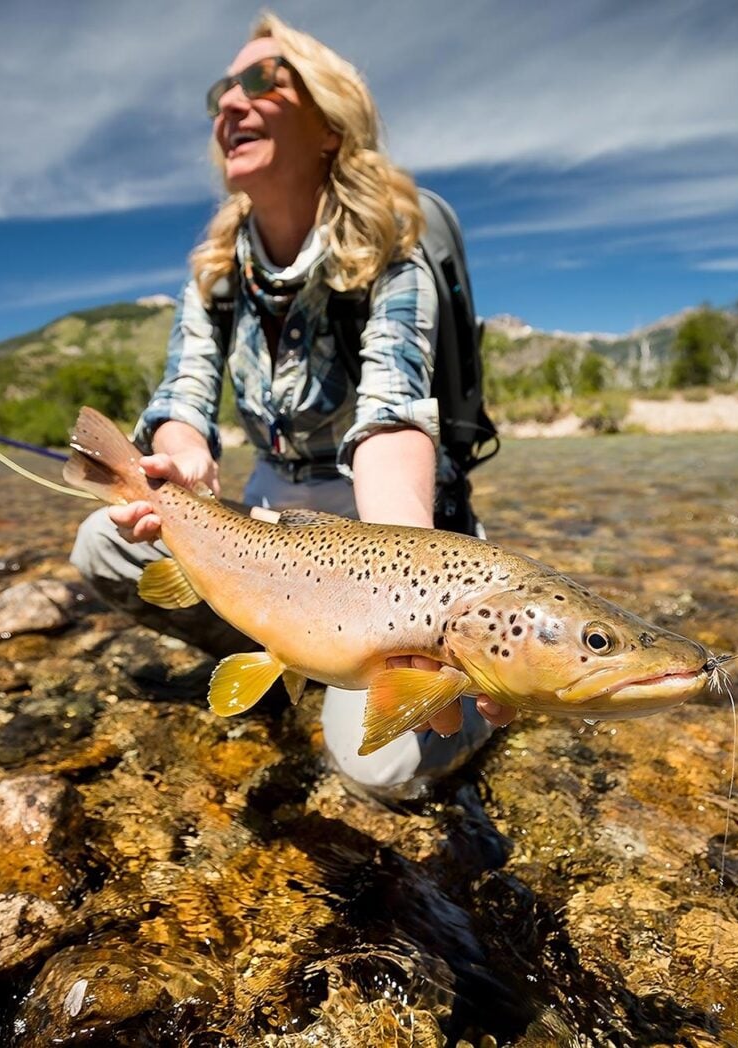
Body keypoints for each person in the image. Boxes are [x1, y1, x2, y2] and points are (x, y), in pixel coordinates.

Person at [71, 12, 515, 795]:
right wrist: (179, 462)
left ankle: (495, 680)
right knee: (99, 546)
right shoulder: (213, 270)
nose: (228, 107)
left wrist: (407, 593)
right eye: (219, 92)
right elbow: (183, 397)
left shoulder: (394, 247)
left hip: (387, 521)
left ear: (330, 125)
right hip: (272, 530)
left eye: (256, 82)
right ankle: (293, 660)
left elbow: (390, 415)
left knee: (383, 769)